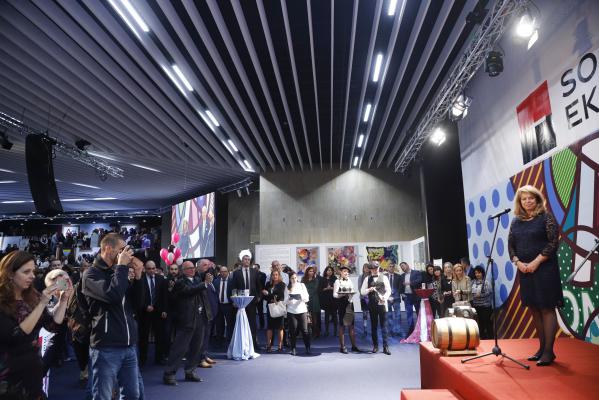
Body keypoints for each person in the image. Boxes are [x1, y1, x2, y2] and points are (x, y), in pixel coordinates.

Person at [0, 250, 72, 400]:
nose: (32, 276)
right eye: (26, 272)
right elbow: (16, 335)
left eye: (33, 271)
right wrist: (42, 303)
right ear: (10, 273)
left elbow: (52, 326)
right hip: (9, 378)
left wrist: (63, 300)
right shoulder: (2, 302)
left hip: (33, 371)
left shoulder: (33, 297)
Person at [82, 233, 144, 400]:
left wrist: (138, 276)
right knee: (103, 396)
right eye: (121, 249)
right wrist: (122, 267)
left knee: (132, 395)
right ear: (108, 248)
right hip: (106, 347)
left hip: (129, 345)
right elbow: (113, 295)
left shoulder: (119, 273)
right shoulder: (91, 274)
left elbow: (138, 304)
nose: (125, 253)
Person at [508, 185, 562, 366]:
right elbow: (511, 246)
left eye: (530, 198)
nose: (527, 201)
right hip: (525, 271)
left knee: (546, 308)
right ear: (520, 202)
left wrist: (536, 262)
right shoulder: (516, 222)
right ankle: (541, 349)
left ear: (537, 199)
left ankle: (549, 352)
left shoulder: (546, 217)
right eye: (524, 199)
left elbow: (553, 243)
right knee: (534, 308)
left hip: (545, 270)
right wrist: (518, 262)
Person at [163, 260, 212, 385]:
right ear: (183, 270)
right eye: (189, 268)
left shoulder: (197, 279)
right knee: (180, 348)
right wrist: (205, 284)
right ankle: (169, 374)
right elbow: (190, 291)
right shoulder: (180, 282)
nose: (192, 269)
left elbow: (201, 295)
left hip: (199, 318)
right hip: (186, 319)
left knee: (196, 347)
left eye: (193, 267)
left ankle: (190, 371)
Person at [138, 260, 168, 366]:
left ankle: (159, 358)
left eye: (153, 268)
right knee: (143, 336)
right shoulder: (140, 279)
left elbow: (164, 296)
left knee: (160, 336)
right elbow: (138, 296)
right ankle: (142, 359)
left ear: (156, 268)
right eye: (149, 269)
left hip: (158, 312)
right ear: (145, 269)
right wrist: (145, 306)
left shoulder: (161, 279)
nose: (151, 270)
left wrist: (164, 310)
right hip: (145, 312)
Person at [231, 250, 263, 348]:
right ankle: (242, 344)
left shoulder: (255, 272)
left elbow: (259, 286)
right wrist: (234, 300)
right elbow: (234, 287)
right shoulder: (236, 273)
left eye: (248, 259)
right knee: (241, 323)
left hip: (252, 302)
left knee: (252, 323)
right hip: (241, 303)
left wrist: (259, 297)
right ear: (242, 261)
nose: (247, 261)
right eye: (245, 259)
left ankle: (253, 344)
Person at [361, 261, 391, 355]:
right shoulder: (367, 279)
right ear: (370, 269)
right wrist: (368, 290)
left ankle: (385, 347)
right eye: (372, 269)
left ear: (378, 268)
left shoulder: (384, 277)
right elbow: (362, 292)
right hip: (372, 305)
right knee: (373, 326)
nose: (374, 270)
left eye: (376, 268)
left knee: (384, 326)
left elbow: (389, 290)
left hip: (382, 304)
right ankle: (375, 346)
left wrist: (384, 298)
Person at [333, 265, 361, 353]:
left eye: (347, 271)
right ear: (340, 272)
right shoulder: (337, 281)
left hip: (349, 304)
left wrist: (351, 294)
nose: (346, 273)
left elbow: (352, 290)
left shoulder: (349, 280)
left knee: (351, 326)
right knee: (342, 326)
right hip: (341, 304)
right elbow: (335, 295)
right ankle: (342, 347)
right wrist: (342, 294)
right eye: (344, 271)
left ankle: (354, 346)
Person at [196, 259, 217, 369]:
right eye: (204, 265)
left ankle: (204, 355)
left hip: (210, 314)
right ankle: (200, 359)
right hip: (203, 314)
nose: (207, 267)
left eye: (208, 265)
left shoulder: (209, 279)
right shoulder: (199, 279)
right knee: (202, 337)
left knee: (207, 336)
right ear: (198, 267)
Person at [285, 271, 310, 355]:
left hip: (302, 310)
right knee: (293, 331)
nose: (294, 279)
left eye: (295, 278)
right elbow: (284, 301)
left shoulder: (302, 285)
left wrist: (300, 297)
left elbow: (307, 298)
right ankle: (293, 348)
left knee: (305, 330)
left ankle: (308, 348)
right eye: (292, 278)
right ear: (289, 279)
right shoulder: (287, 287)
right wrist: (289, 299)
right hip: (291, 311)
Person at [262, 269, 286, 352]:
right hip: (270, 307)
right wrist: (271, 297)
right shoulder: (268, 284)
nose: (275, 276)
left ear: (279, 276)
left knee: (280, 328)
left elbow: (280, 296)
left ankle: (280, 346)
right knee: (269, 327)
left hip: (279, 308)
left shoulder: (282, 284)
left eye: (276, 275)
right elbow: (264, 296)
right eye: (273, 275)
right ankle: (269, 346)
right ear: (271, 276)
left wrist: (269, 294)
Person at [397, 261, 424, 335]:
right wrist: (402, 294)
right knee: (409, 314)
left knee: (419, 313)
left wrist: (410, 283)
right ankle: (411, 330)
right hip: (407, 297)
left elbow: (419, 280)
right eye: (401, 267)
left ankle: (420, 329)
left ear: (407, 265)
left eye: (403, 266)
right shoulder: (402, 276)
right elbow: (400, 286)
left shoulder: (416, 272)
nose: (402, 268)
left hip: (416, 296)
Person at [214, 266, 234, 344]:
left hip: (229, 305)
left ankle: (229, 340)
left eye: (225, 271)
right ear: (220, 272)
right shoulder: (216, 281)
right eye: (222, 272)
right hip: (218, 305)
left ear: (228, 272)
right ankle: (219, 339)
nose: (223, 273)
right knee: (219, 323)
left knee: (230, 323)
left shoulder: (232, 281)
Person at [471, 266, 492, 339]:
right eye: (476, 273)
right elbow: (470, 292)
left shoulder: (486, 282)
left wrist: (480, 295)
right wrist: (474, 295)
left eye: (479, 273)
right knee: (479, 323)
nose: (477, 274)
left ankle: (491, 338)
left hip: (486, 306)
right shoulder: (472, 282)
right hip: (476, 306)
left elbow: (489, 292)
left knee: (487, 322)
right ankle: (481, 338)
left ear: (482, 273)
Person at [301, 266, 321, 339]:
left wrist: (307, 296)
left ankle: (315, 333)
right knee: (306, 318)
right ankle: (307, 332)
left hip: (314, 300)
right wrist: (305, 297)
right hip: (305, 300)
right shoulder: (303, 279)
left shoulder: (316, 280)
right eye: (310, 271)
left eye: (312, 271)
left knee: (314, 318)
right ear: (307, 272)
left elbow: (314, 290)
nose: (311, 272)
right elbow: (302, 289)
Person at [319, 266, 337, 337]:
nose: (329, 271)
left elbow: (338, 288)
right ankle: (326, 331)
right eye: (328, 270)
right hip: (326, 300)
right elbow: (320, 289)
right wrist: (326, 288)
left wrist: (332, 288)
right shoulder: (322, 279)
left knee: (334, 315)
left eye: (331, 270)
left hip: (334, 300)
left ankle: (336, 330)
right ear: (326, 271)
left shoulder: (335, 279)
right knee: (326, 316)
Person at [386, 264, 402, 337]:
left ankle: (398, 331)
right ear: (387, 268)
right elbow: (381, 287)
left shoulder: (398, 276)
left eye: (393, 267)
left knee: (398, 315)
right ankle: (390, 331)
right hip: (387, 299)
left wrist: (393, 297)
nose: (391, 268)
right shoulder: (383, 276)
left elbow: (400, 288)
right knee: (389, 315)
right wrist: (388, 297)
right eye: (390, 266)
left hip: (396, 298)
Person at [357, 263, 370, 336]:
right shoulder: (361, 277)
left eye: (368, 267)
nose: (366, 269)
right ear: (363, 269)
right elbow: (359, 288)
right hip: (363, 298)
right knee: (365, 314)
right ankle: (365, 329)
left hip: (372, 298)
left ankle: (373, 329)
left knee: (373, 313)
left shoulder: (372, 276)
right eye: (365, 268)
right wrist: (365, 294)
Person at [254, 264, 267, 330]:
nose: (255, 269)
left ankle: (262, 325)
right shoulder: (252, 274)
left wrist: (260, 295)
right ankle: (254, 326)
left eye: (256, 268)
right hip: (252, 295)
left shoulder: (263, 274)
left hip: (260, 295)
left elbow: (263, 285)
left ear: (259, 268)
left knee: (260, 311)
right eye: (254, 268)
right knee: (252, 312)